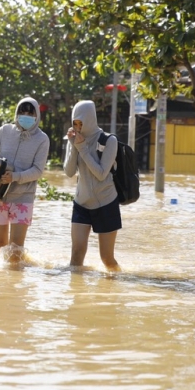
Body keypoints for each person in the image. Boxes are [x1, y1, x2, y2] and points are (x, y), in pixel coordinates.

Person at [0, 97, 50, 262]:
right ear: (16, 113)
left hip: (23, 198)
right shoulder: (5, 131)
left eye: (30, 113)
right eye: (22, 112)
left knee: (15, 250)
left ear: (37, 115)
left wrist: (15, 177)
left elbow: (38, 170)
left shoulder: (42, 139)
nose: (25, 115)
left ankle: (16, 285)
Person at [65, 100, 120, 271]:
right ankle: (76, 294)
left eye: (82, 122)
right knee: (76, 254)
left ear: (91, 119)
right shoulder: (75, 139)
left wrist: (82, 148)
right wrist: (74, 146)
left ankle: (117, 285)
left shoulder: (109, 141)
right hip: (82, 203)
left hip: (105, 203)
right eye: (75, 123)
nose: (78, 126)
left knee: (107, 259)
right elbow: (68, 172)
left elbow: (101, 173)